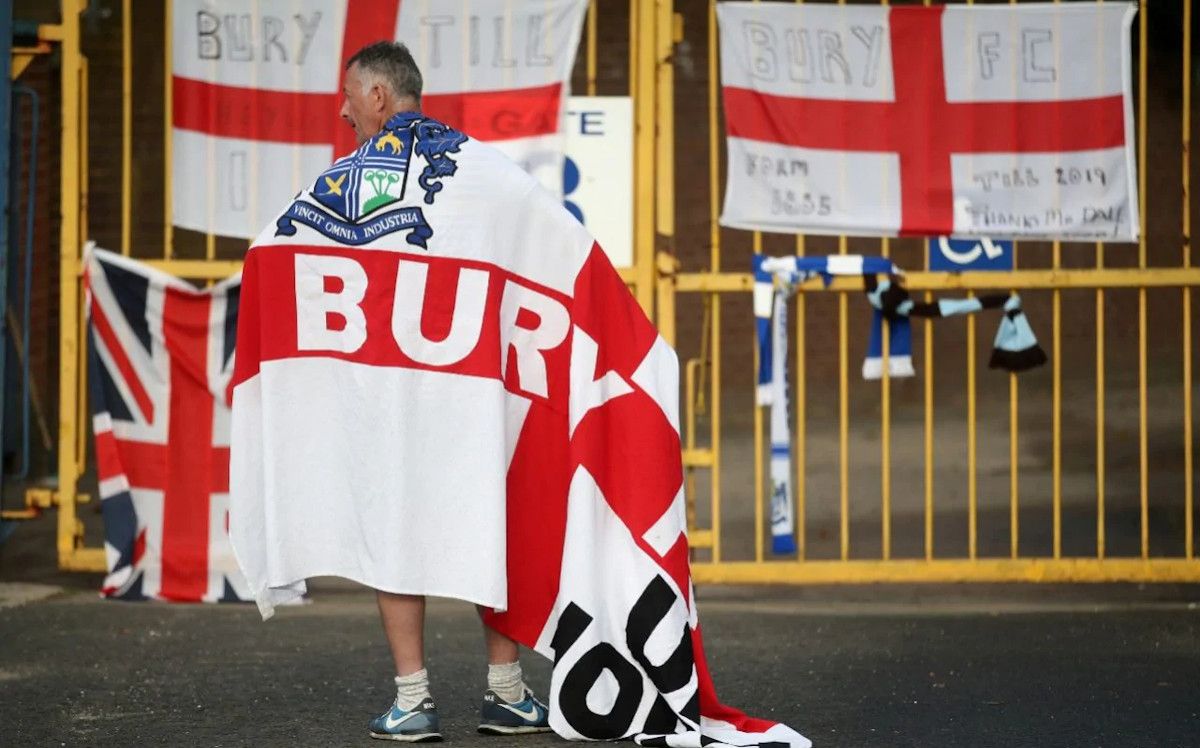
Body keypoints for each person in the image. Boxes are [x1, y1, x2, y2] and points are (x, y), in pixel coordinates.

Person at [336, 41, 550, 742]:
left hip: (393, 384)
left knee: (397, 528)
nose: (343, 111)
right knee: (492, 523)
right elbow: (549, 240)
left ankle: (413, 700)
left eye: (349, 96)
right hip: (472, 380)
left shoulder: (352, 176)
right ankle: (506, 692)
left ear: (378, 98)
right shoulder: (484, 165)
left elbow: (291, 253)